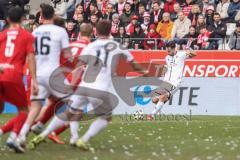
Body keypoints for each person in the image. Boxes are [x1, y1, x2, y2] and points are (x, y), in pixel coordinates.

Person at [28, 19, 148, 150]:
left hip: (84, 86)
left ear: (96, 31)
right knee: (106, 117)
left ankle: (43, 135)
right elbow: (133, 63)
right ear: (110, 31)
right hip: (100, 89)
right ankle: (83, 139)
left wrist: (72, 84)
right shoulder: (117, 46)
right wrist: (144, 71)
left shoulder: (91, 46)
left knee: (69, 113)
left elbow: (79, 67)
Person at [16, 4, 72, 151]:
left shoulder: (35, 32)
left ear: (41, 17)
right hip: (53, 74)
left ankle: (21, 136)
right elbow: (67, 55)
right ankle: (48, 131)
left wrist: (34, 78)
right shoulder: (60, 31)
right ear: (53, 16)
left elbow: (30, 57)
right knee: (74, 102)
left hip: (39, 75)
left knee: (35, 108)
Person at [31, 23, 93, 145]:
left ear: (80, 32)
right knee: (77, 111)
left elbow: (61, 59)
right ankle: (57, 133)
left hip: (61, 77)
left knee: (52, 103)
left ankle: (37, 124)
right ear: (91, 34)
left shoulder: (71, 44)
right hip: (76, 80)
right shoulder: (90, 46)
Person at [0, 6, 38, 153]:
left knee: (1, 108)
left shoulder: (2, 35)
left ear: (8, 19)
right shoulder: (27, 36)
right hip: (13, 76)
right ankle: (12, 138)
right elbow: (31, 57)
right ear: (23, 19)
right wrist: (34, 79)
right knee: (24, 110)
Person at [148, 41, 196, 120]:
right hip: (166, 81)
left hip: (176, 82)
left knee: (163, 97)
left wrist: (188, 49)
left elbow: (195, 54)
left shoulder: (181, 55)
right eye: (167, 50)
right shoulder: (167, 58)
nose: (168, 52)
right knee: (154, 99)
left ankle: (151, 115)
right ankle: (160, 111)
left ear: (174, 49)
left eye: (169, 51)